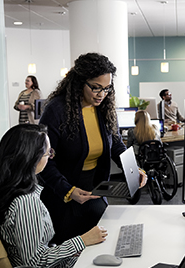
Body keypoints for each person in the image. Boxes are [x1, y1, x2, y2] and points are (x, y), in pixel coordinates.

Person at [38, 52, 147, 244]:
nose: (102, 94)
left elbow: (116, 145)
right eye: (96, 88)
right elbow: (44, 161)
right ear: (80, 82)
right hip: (63, 195)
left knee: (99, 247)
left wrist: (133, 169)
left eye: (107, 88)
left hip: (96, 190)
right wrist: (68, 191)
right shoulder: (57, 110)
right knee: (70, 250)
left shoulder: (104, 108)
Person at [0, 124, 108, 268]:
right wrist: (83, 240)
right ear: (32, 159)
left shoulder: (2, 187)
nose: (50, 157)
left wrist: (72, 250)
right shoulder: (26, 202)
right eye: (48, 153)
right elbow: (36, 262)